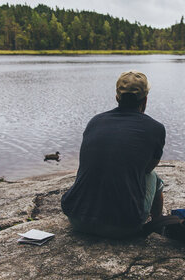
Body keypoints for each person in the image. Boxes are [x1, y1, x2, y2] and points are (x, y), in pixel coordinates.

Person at [61, 70, 166, 238]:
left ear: (117, 97)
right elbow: (148, 168)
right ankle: (158, 221)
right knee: (154, 177)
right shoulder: (156, 128)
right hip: (124, 226)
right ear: (145, 99)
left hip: (77, 219)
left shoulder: (95, 121)